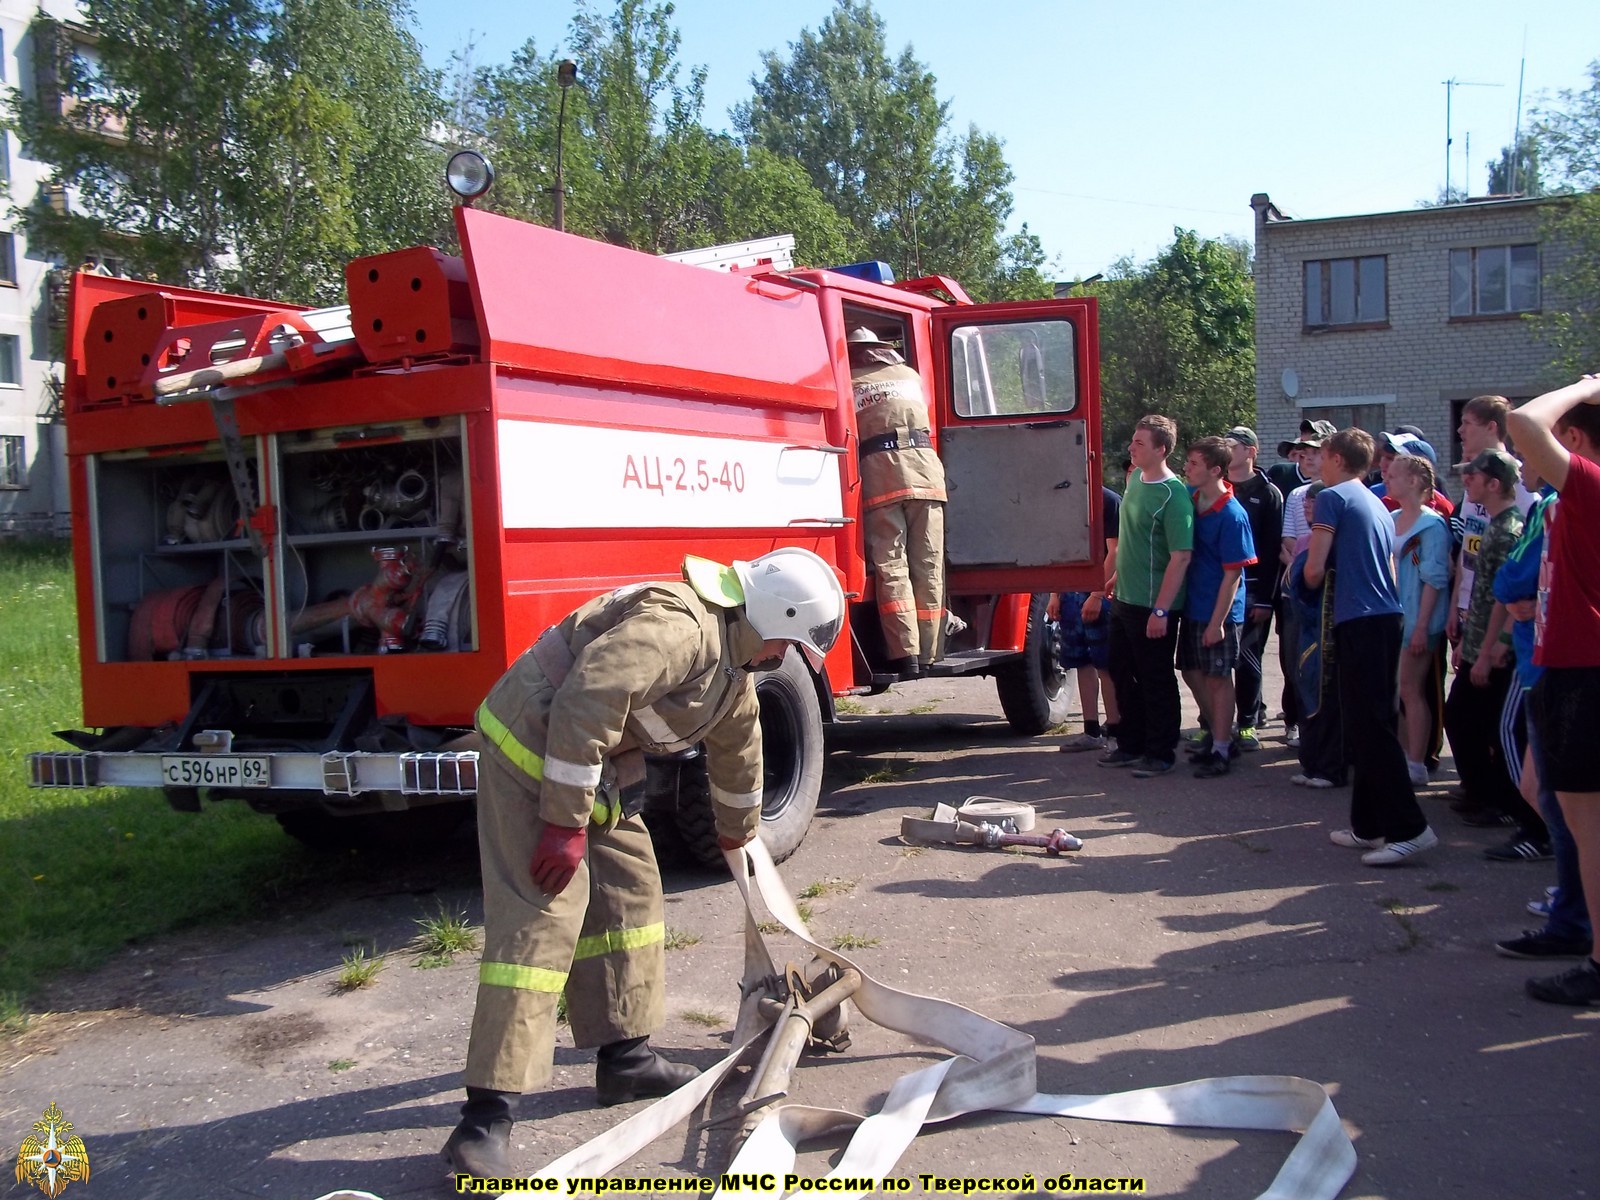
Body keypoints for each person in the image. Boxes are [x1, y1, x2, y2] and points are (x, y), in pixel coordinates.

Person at [443, 548, 847, 1180]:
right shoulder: (679, 628)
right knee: (542, 920)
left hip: (592, 765)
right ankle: (484, 1121)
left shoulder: (733, 667)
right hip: (533, 752)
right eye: (788, 642)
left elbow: (740, 755)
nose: (786, 658)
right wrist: (561, 825)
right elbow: (587, 700)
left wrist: (741, 844)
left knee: (631, 895)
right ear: (771, 616)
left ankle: (625, 1061)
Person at [1299, 428, 1437, 866]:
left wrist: (1298, 580)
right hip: (1383, 618)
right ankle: (1369, 825)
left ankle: (1410, 829)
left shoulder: (1332, 497)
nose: (1317, 460)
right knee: (1366, 724)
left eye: (1321, 453)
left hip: (1361, 620)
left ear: (1335, 457)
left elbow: (1315, 569)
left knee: (1373, 728)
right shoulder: (1373, 499)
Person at [1506, 375, 1600, 1005]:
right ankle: (1577, 930)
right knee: (1569, 817)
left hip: (1583, 672)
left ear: (1573, 439)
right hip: (1566, 669)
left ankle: (1596, 958)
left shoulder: (1591, 485)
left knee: (1589, 829)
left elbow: (1521, 423)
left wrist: (1588, 383)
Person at [1442, 450, 1542, 853]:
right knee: (1470, 719)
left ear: (1495, 484)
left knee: (1490, 726)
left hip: (1497, 647)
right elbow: (1482, 593)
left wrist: (1492, 648)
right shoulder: (1495, 524)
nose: (1467, 481)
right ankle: (1487, 794)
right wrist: (1469, 639)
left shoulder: (1509, 530)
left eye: (1474, 476)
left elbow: (1509, 597)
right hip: (1479, 638)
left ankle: (1507, 804)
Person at [848, 327, 946, 680]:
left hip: (882, 476)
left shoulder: (851, 383)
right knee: (928, 563)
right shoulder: (910, 375)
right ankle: (931, 651)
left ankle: (907, 655)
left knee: (892, 565)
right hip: (927, 473)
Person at [1100, 415, 1193, 778]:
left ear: (1161, 449)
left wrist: (1161, 610)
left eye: (1139, 443)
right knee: (1121, 671)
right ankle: (1130, 744)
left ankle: (1161, 751)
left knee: (1154, 678)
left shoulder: (1174, 495)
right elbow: (1134, 540)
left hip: (1153, 604)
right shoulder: (1136, 479)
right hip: (1124, 597)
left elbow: (1181, 556)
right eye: (1132, 441)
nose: (1131, 448)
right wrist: (1117, 576)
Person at [1178, 437, 1257, 778]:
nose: (1187, 468)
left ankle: (1223, 748)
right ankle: (1220, 734)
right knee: (1192, 671)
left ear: (1215, 470)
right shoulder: (1193, 499)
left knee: (1218, 677)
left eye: (1194, 464)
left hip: (1219, 611)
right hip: (1193, 606)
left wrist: (1218, 622)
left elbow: (1234, 576)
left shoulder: (1232, 514)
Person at [1388, 453, 1451, 788]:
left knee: (1411, 690)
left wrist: (1423, 627)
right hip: (1393, 617)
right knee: (1394, 691)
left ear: (1414, 482)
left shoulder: (1433, 524)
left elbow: (1435, 579)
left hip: (1418, 619)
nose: (1387, 478)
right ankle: (1402, 755)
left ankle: (1417, 762)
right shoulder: (1393, 516)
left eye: (1395, 475)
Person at [1222, 426, 1282, 750]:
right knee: (1218, 658)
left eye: (1234, 445)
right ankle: (1215, 721)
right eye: (1225, 444)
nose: (1228, 449)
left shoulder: (1268, 492)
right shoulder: (1218, 487)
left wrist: (1267, 600)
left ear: (1250, 451)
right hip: (1222, 586)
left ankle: (1247, 723)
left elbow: (1272, 551)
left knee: (1248, 657)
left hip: (1255, 590)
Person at [1051, 483, 1123, 751]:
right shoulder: (1062, 499)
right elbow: (1061, 550)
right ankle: (1091, 730)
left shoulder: (1108, 500)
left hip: (1100, 593)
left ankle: (1116, 730)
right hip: (1071, 593)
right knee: (1082, 663)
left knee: (1105, 665)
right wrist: (1055, 594)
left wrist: (1096, 593)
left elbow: (1115, 551)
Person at [1275, 424, 1333, 749]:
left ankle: (1324, 736)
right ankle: (1298, 722)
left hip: (1324, 592)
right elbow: (1288, 541)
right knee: (1294, 657)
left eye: (1315, 452)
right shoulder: (1296, 495)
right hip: (1296, 587)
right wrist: (1297, 569)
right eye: (1305, 452)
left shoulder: (1336, 494)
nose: (1308, 457)